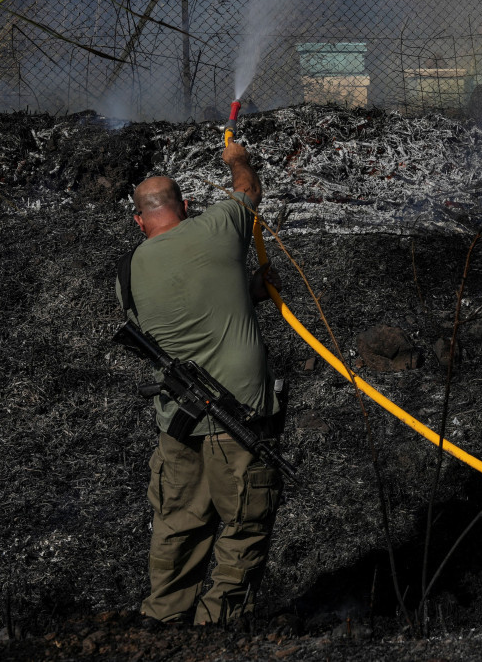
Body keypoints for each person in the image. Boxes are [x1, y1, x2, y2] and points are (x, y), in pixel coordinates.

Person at [117, 141, 284, 626]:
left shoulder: (128, 271)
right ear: (187, 208)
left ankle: (165, 616)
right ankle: (218, 622)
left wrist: (245, 294)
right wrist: (235, 159)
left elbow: (177, 317)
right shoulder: (217, 227)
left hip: (177, 420)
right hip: (241, 414)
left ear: (139, 221)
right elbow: (248, 189)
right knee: (246, 520)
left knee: (177, 522)